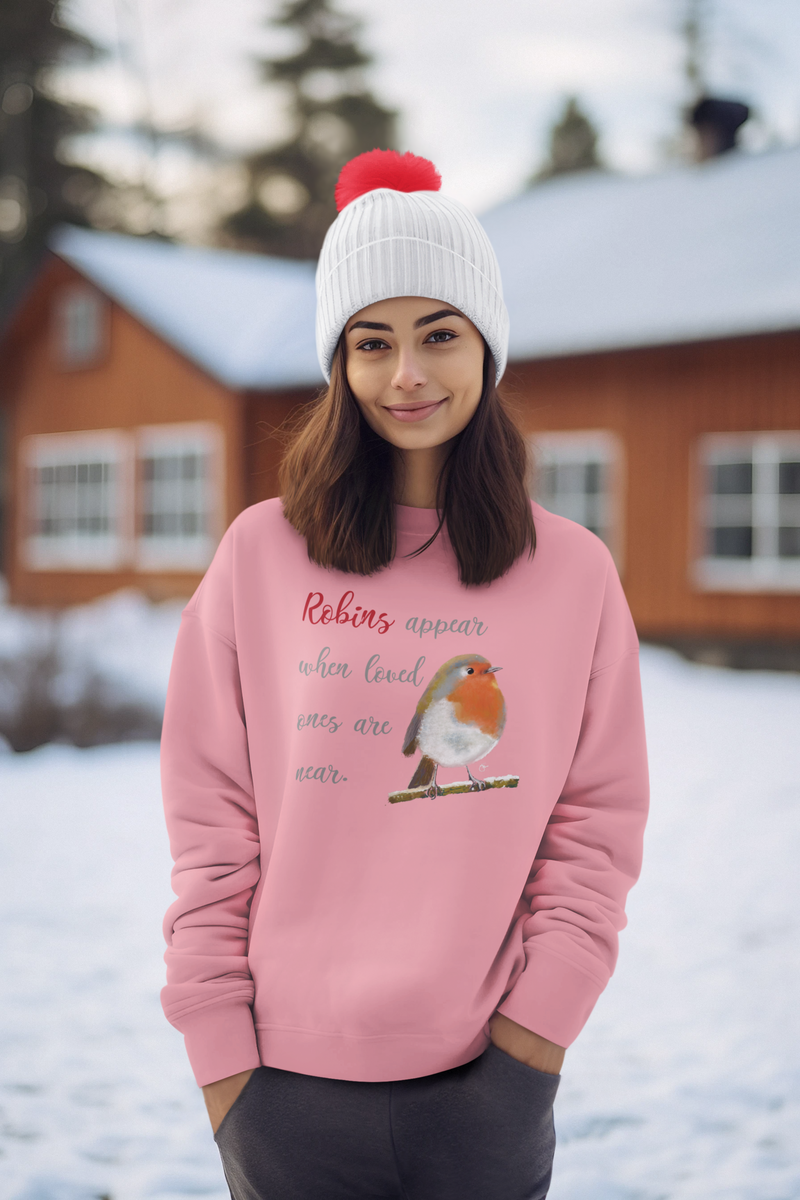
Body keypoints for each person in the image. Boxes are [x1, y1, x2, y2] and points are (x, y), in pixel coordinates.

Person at [159, 149, 649, 1200]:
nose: (406, 375)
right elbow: (210, 818)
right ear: (338, 362)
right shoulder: (261, 555)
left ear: (487, 347)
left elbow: (594, 827)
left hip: (485, 1089)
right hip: (279, 1089)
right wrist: (223, 1063)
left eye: (439, 335)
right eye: (372, 342)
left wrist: (530, 1045)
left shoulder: (568, 574)